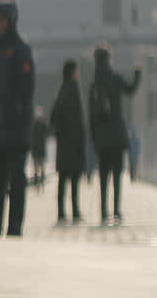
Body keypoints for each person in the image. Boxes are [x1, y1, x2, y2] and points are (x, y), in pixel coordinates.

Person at [0, 0, 35, 237]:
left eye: (5, 21)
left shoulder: (22, 51)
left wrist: (17, 114)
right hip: (0, 128)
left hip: (16, 128)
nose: (1, 25)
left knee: (16, 179)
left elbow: (27, 89)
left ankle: (14, 227)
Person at [89, 44, 142, 225]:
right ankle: (117, 211)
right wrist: (137, 72)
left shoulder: (94, 85)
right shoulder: (115, 79)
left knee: (103, 176)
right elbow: (131, 90)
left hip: (102, 139)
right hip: (117, 136)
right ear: (109, 59)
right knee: (117, 176)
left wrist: (94, 140)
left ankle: (103, 212)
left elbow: (91, 117)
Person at [50, 59, 86, 224]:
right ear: (73, 72)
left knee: (63, 180)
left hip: (63, 144)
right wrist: (81, 141)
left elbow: (53, 118)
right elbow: (79, 118)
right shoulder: (74, 89)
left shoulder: (60, 91)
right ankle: (76, 211)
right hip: (73, 143)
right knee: (74, 181)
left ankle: (61, 213)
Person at [31, 107, 48, 189]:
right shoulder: (42, 124)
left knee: (37, 168)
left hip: (35, 149)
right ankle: (41, 182)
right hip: (41, 149)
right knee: (41, 167)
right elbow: (47, 133)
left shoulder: (33, 125)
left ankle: (38, 182)